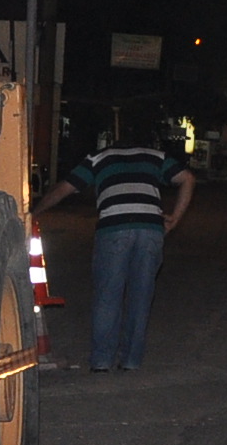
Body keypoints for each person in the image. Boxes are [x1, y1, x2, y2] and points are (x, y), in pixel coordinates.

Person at [35, 128, 195, 371]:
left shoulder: (99, 158)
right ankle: (131, 361)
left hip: (114, 228)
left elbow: (62, 190)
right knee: (141, 296)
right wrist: (175, 218)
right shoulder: (156, 156)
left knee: (108, 296)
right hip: (150, 229)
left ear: (113, 143)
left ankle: (101, 361)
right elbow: (188, 179)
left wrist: (33, 213)